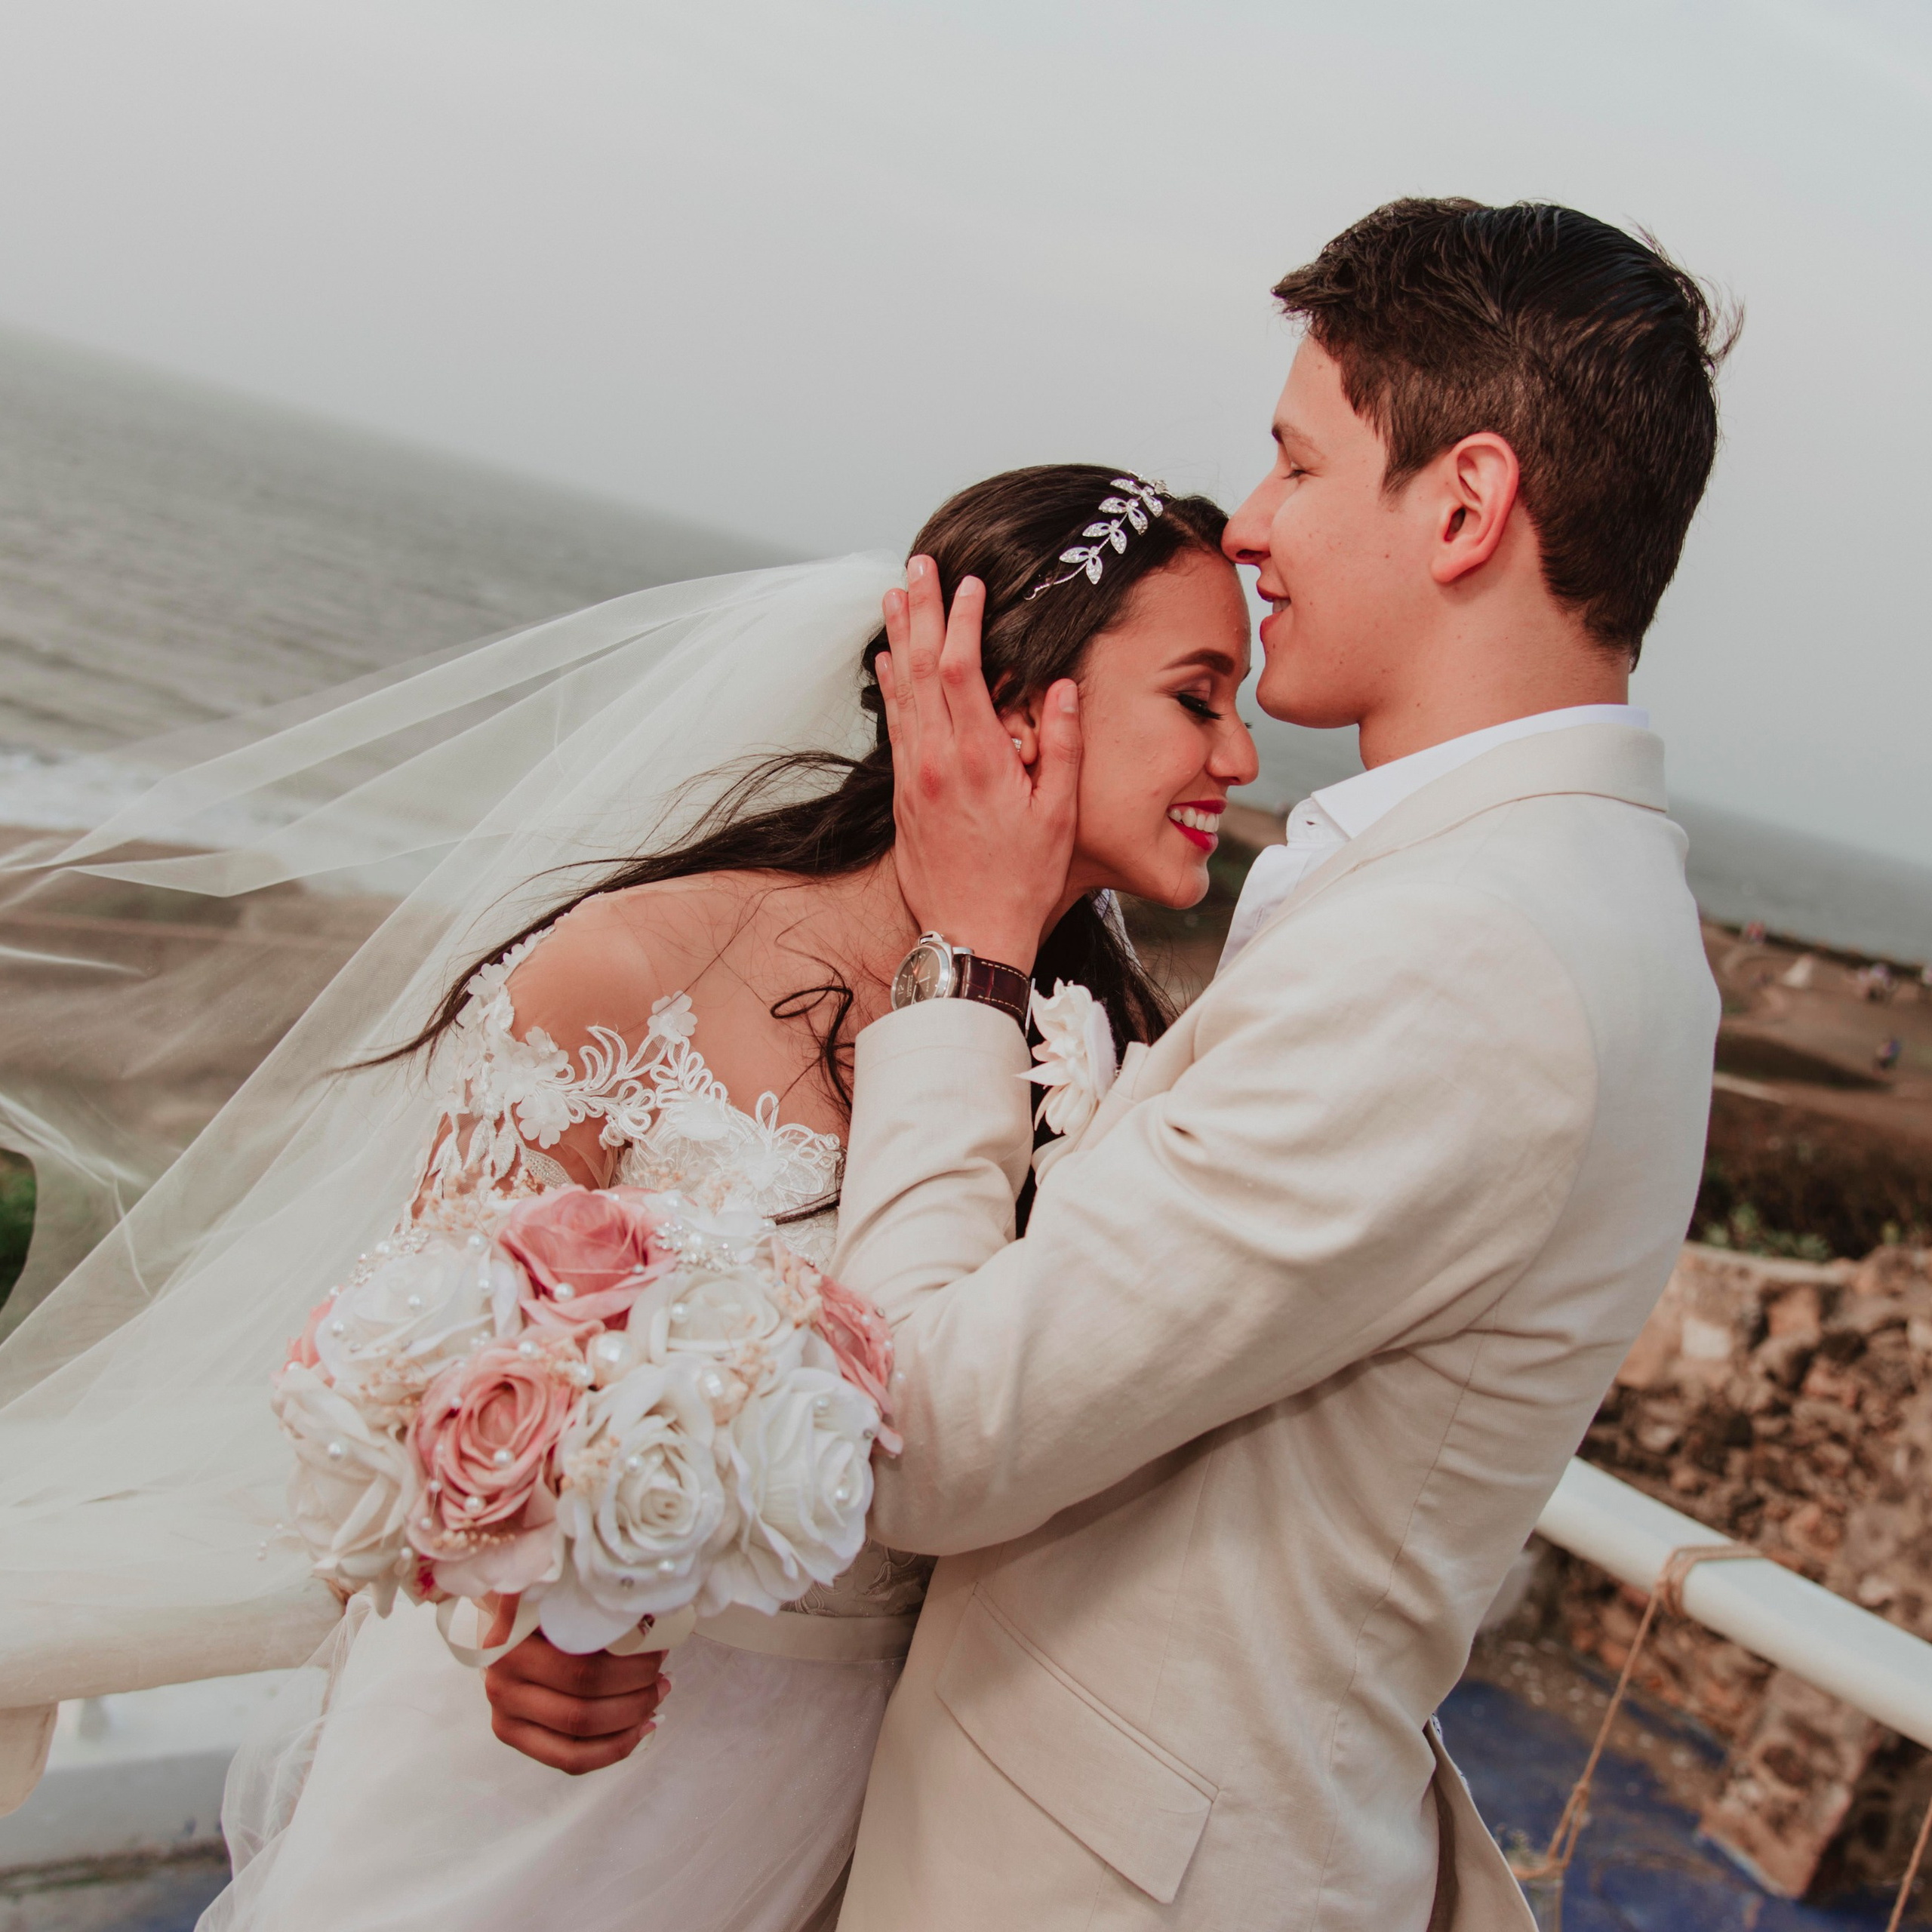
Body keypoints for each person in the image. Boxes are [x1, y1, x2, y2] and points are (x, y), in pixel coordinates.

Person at [0, 465, 1256, 1932]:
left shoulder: (1125, 1065)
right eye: (1197, 692)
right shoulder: (634, 965)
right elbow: (419, 1364)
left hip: (835, 1793)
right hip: (535, 1762)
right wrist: (509, 1601)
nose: (1238, 752)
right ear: (1012, 696)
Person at [817, 199, 1730, 1928]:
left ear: (1462, 503)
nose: (1249, 525)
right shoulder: (1579, 903)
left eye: (1297, 465)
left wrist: (965, 954)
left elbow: (920, 1429)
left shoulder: (1467, 948)